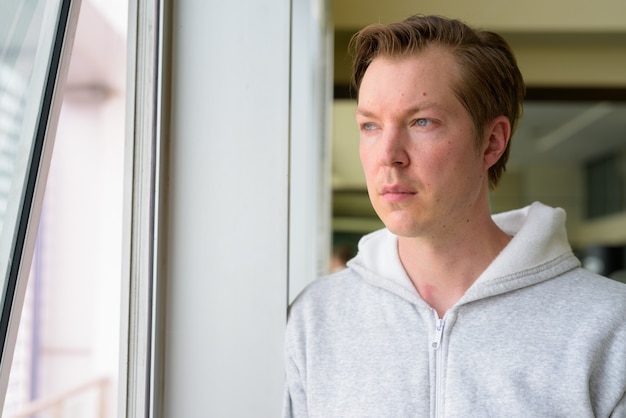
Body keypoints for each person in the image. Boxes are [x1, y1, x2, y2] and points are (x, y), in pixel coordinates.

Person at [283, 14, 626, 417]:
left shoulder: (610, 326)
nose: (388, 155)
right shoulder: (316, 316)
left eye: (421, 121)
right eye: (370, 126)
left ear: (492, 142)